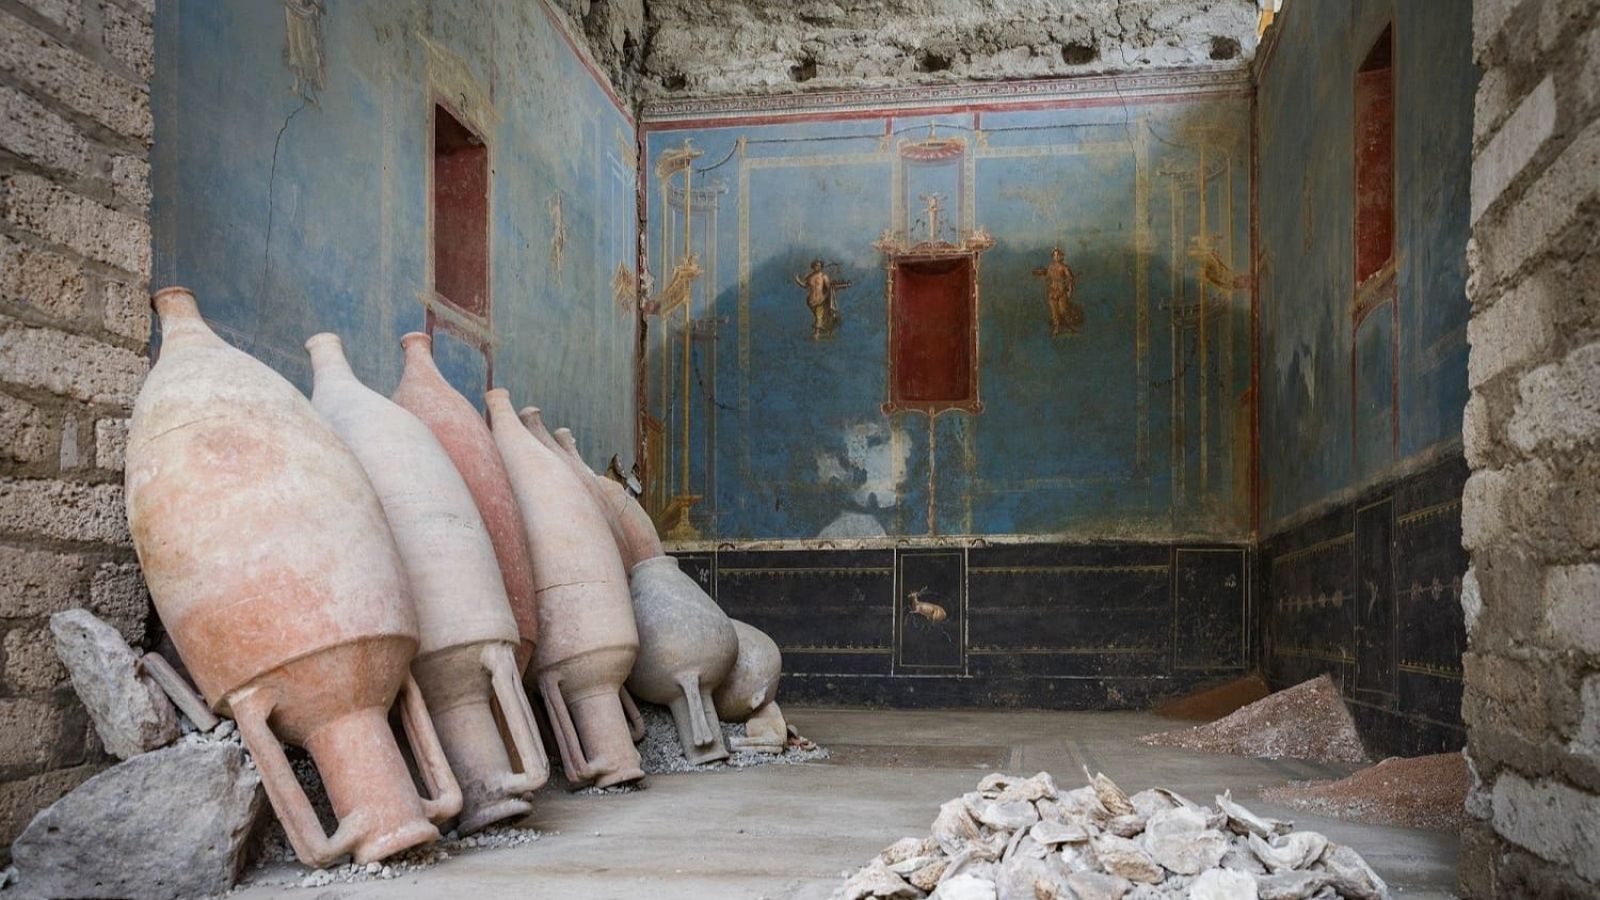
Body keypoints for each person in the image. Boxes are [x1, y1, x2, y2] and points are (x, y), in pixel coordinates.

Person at [794, 259, 851, 338]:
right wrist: (798, 281)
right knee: (820, 317)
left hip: (821, 300)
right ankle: (824, 331)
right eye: (816, 265)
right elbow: (805, 285)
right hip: (810, 301)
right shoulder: (809, 276)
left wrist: (824, 297)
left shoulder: (824, 276)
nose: (817, 267)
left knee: (819, 316)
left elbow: (829, 288)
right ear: (813, 266)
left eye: (819, 265)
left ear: (821, 266)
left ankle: (816, 334)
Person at [1033, 247, 1082, 336]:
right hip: (1052, 291)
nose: (1056, 257)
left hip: (1062, 291)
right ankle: (1056, 329)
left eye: (1058, 255)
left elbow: (1070, 280)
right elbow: (1047, 276)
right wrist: (1041, 273)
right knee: (1054, 312)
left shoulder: (1065, 267)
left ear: (1061, 256)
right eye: (1054, 255)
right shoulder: (1051, 267)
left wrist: (1070, 291)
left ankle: (1070, 326)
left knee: (1063, 311)